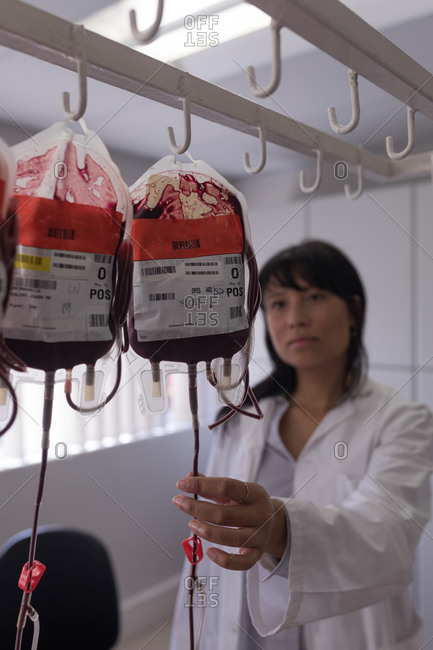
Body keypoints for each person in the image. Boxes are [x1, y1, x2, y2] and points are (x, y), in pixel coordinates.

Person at [170, 239, 433, 650]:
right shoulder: (240, 418)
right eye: (277, 303)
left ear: (354, 310)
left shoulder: (402, 421)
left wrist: (281, 529)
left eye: (314, 297)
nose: (295, 318)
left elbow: (388, 537)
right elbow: (209, 557)